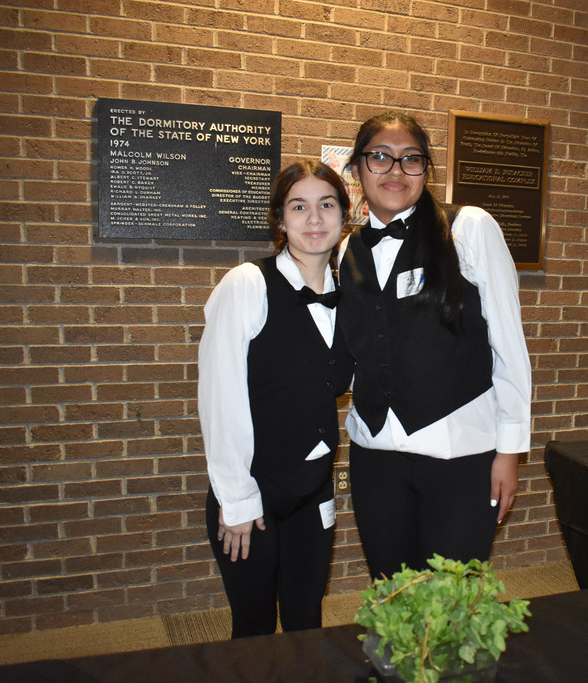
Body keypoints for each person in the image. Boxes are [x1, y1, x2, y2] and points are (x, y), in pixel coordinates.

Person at [338, 112, 532, 581]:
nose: (395, 171)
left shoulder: (469, 228)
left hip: (461, 456)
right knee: (392, 595)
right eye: (380, 157)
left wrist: (509, 451)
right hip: (375, 453)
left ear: (427, 169)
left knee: (451, 601)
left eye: (411, 160)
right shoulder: (347, 249)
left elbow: (509, 342)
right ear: (358, 169)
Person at [197, 160, 353, 638]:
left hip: (313, 490)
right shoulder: (247, 284)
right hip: (253, 491)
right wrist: (238, 499)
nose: (314, 219)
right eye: (298, 207)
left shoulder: (352, 295)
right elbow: (219, 398)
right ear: (280, 221)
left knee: (308, 622)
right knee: (255, 627)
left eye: (326, 205)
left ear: (344, 216)